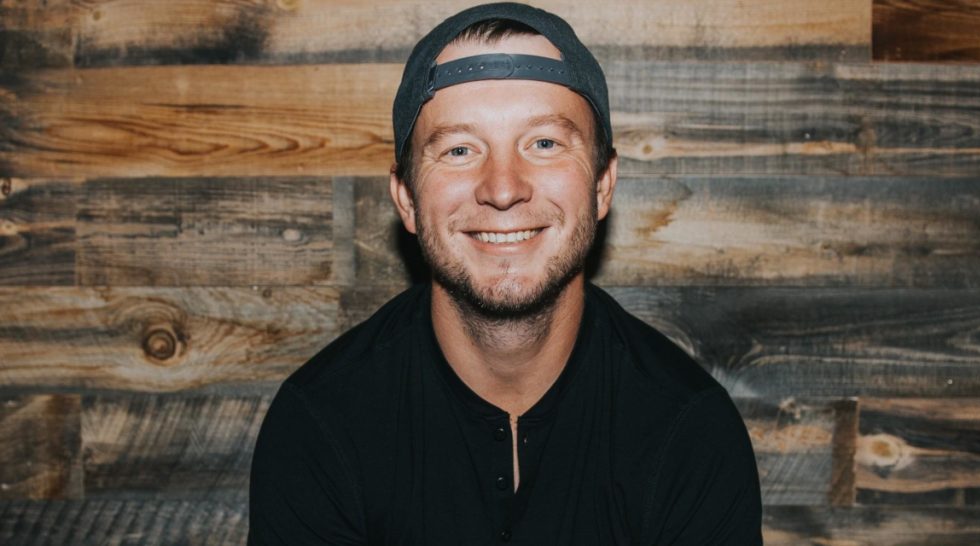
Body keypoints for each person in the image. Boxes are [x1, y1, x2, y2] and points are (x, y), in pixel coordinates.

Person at [248, 3, 762, 544]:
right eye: (459, 149)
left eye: (543, 143)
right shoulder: (321, 425)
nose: (502, 187)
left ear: (604, 184)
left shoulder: (688, 430)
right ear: (406, 199)